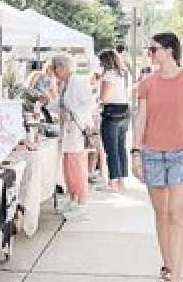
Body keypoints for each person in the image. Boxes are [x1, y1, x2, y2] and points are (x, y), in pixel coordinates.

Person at [132, 32, 183, 282]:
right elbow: (141, 119)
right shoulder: (147, 84)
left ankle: (175, 279)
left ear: (169, 50)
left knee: (177, 215)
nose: (150, 53)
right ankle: (167, 265)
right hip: (152, 154)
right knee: (161, 214)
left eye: (153, 49)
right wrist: (136, 152)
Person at [50, 54, 96, 220]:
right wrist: (48, 102)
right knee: (69, 169)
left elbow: (89, 104)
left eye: (55, 68)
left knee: (76, 168)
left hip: (76, 131)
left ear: (62, 67)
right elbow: (61, 105)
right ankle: (74, 199)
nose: (54, 72)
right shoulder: (66, 83)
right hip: (69, 132)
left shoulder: (77, 81)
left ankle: (81, 203)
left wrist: (72, 114)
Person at [97, 49, 132, 193]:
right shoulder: (124, 73)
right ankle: (122, 180)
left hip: (111, 111)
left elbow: (103, 97)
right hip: (124, 109)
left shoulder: (109, 74)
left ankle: (112, 181)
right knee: (120, 146)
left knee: (111, 147)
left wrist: (96, 99)